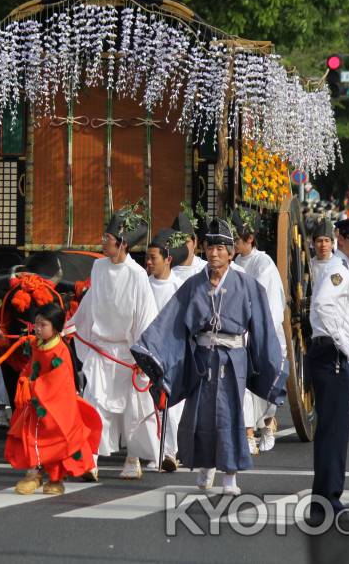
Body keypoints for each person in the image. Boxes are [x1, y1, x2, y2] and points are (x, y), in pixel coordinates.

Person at [132, 217, 286, 496]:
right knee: (200, 414)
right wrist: (151, 351)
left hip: (233, 359)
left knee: (229, 415)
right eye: (210, 248)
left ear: (231, 253)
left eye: (220, 249)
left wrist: (271, 364)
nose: (214, 254)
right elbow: (171, 322)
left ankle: (230, 474)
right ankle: (206, 466)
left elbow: (263, 328)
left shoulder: (248, 286)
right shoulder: (193, 285)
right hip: (201, 359)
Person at [65, 204, 159, 480]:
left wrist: (143, 356)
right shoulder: (98, 267)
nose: (102, 241)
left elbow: (145, 317)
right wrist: (68, 327)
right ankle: (90, 459)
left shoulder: (137, 275)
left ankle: (132, 459)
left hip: (128, 353)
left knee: (133, 408)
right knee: (94, 402)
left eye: (107, 238)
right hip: (101, 348)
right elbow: (90, 303)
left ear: (123, 244)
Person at [305, 215, 349, 516]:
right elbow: (323, 305)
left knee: (335, 431)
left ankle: (327, 499)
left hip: (335, 354)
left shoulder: (345, 268)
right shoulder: (338, 270)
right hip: (332, 356)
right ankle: (326, 502)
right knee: (333, 432)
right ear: (340, 239)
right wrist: (343, 343)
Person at [6, 303, 102, 496]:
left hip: (57, 407)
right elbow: (31, 366)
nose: (38, 328)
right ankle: (33, 474)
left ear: (56, 327)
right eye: (36, 324)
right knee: (31, 437)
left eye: (43, 325)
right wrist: (24, 379)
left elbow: (59, 380)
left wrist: (33, 386)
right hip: (36, 403)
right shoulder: (37, 345)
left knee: (57, 441)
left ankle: (56, 479)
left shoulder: (60, 350)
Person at [230, 208, 287, 456]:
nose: (233, 243)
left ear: (250, 238)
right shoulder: (233, 263)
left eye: (236, 239)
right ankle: (248, 431)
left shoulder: (264, 264)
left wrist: (257, 331)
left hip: (262, 331)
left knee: (262, 381)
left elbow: (269, 305)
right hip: (240, 332)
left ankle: (267, 426)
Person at [145, 229, 184, 472]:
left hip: (172, 353)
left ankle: (169, 451)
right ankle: (153, 450)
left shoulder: (179, 287)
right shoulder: (143, 285)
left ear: (168, 259)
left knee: (172, 405)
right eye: (147, 258)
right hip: (146, 351)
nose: (148, 263)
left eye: (153, 258)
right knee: (149, 404)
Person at [170, 211, 207, 281]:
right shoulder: (165, 271)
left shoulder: (206, 269)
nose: (182, 247)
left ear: (194, 243)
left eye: (186, 242)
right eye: (178, 242)